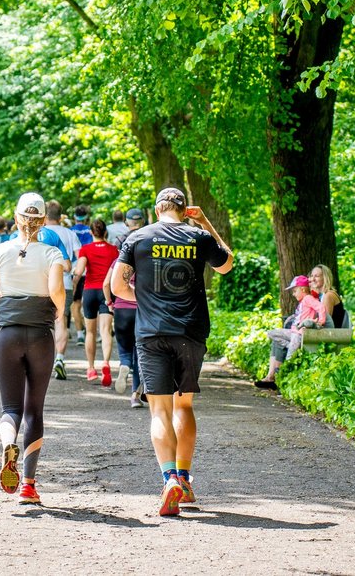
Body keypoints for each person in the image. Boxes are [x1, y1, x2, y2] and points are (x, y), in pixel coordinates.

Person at [110, 187, 233, 516]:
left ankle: (169, 480)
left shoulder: (138, 238)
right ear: (183, 210)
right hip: (191, 331)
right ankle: (184, 478)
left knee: (159, 410)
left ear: (156, 209)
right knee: (184, 405)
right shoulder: (198, 236)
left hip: (152, 332)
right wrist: (205, 222)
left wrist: (147, 300)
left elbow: (117, 287)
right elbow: (227, 264)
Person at [0, 193, 66, 504]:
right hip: (41, 335)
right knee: (34, 410)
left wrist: (4, 289)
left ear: (16, 218)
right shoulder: (52, 253)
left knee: (10, 408)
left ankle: (7, 444)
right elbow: (56, 290)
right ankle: (28, 485)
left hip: (7, 334)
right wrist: (57, 308)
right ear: (43, 222)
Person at [105, 207, 147, 406]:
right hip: (141, 308)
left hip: (121, 309)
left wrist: (110, 303)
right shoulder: (147, 256)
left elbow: (107, 284)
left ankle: (123, 365)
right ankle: (135, 396)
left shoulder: (118, 260)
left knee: (124, 348)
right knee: (140, 352)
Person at [255, 275, 326, 391]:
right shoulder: (303, 301)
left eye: (295, 291)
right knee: (272, 333)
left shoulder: (308, 298)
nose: (293, 294)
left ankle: (284, 382)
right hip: (293, 332)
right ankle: (292, 347)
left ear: (302, 289)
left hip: (299, 333)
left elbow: (321, 308)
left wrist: (320, 322)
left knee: (289, 359)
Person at [72, 219, 119, 385]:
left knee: (90, 332)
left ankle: (91, 368)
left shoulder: (85, 249)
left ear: (91, 233)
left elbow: (79, 270)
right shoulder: (114, 250)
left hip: (90, 291)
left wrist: (74, 283)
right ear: (105, 232)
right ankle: (106, 362)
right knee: (105, 331)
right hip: (107, 292)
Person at [42, 200, 83, 380]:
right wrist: (76, 275)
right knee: (61, 321)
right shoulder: (69, 233)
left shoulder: (39, 233)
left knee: (42, 323)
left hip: (41, 284)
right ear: (60, 215)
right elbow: (79, 258)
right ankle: (60, 358)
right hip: (64, 283)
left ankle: (43, 360)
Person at [70, 205, 93, 346]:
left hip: (74, 270)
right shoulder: (90, 232)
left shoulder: (70, 231)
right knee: (88, 304)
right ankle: (90, 332)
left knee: (76, 304)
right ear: (86, 217)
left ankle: (79, 334)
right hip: (88, 269)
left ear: (75, 216)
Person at [309, 264, 347, 328]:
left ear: (325, 278)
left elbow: (325, 322)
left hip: (332, 334)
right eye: (312, 276)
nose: (312, 279)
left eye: (316, 276)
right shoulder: (320, 296)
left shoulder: (329, 295)